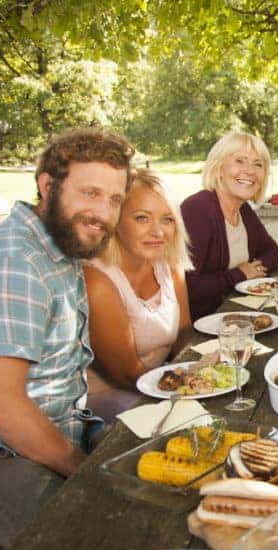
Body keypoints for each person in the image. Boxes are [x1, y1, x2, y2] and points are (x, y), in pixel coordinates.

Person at [0, 128, 134, 547]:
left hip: (51, 430)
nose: (103, 212)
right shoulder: (13, 262)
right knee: (95, 536)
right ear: (48, 186)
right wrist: (85, 468)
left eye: (114, 199)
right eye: (90, 193)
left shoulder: (58, 251)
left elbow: (63, 371)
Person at [83, 169, 193, 421]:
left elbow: (184, 334)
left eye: (167, 219)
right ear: (116, 220)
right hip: (110, 396)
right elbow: (125, 374)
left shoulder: (169, 264)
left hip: (160, 383)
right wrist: (186, 391)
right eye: (142, 218)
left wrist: (202, 374)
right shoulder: (97, 280)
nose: (159, 232)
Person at [181, 131, 278, 320]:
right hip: (201, 328)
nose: (250, 171)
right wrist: (238, 275)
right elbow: (185, 286)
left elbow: (272, 252)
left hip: (235, 317)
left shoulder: (243, 210)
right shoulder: (198, 209)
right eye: (240, 161)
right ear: (219, 168)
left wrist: (251, 270)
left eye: (258, 164)